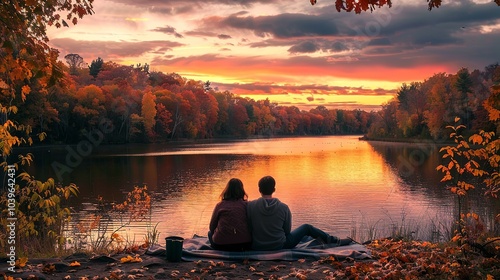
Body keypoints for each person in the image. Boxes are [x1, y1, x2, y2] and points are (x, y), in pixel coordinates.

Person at [247, 175, 352, 251]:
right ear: (274, 189)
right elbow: (287, 231)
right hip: (281, 245)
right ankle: (333, 240)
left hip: (257, 246)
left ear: (259, 189)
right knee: (306, 227)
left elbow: (249, 227)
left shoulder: (250, 206)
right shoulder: (283, 207)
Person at [208, 178, 252, 251]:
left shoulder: (220, 205)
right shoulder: (247, 205)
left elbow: (212, 227)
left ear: (227, 190)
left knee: (210, 233)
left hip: (221, 246)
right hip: (244, 245)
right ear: (242, 190)